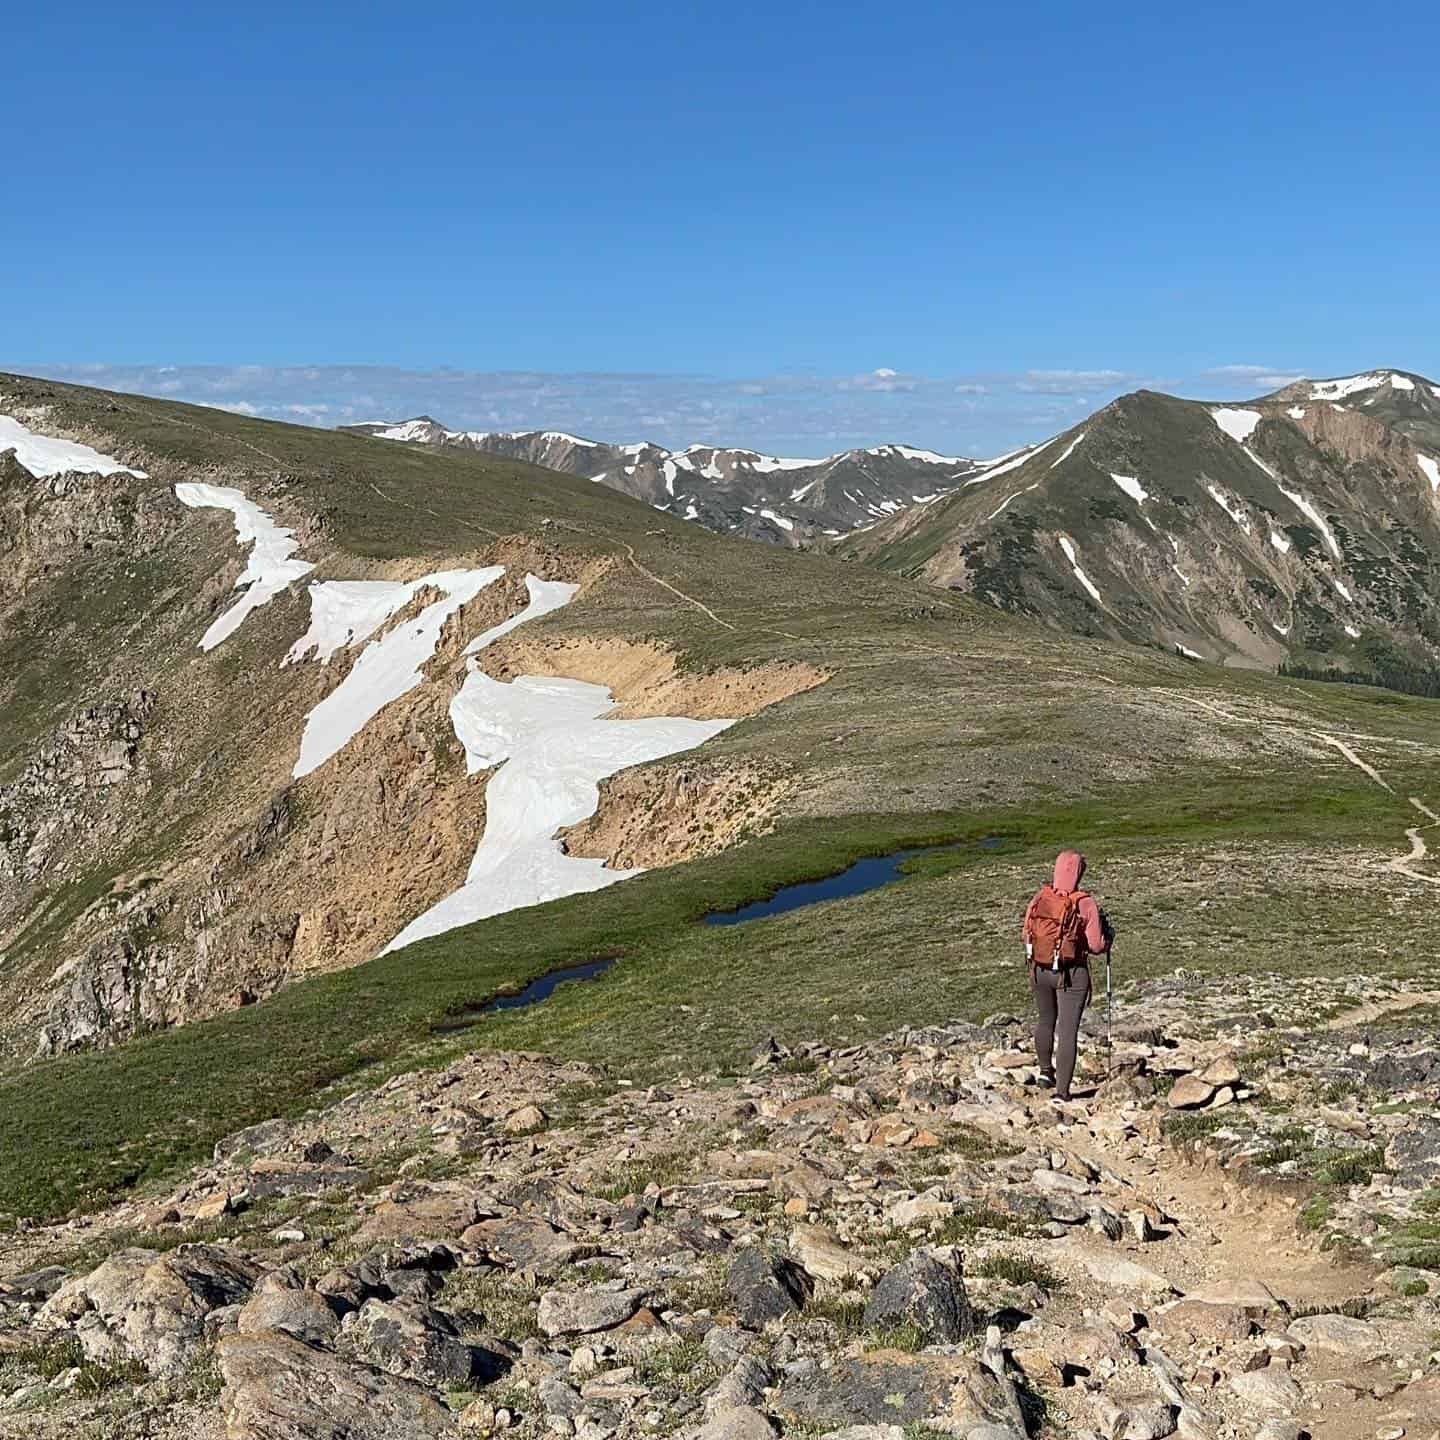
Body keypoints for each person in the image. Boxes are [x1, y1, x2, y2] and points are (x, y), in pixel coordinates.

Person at [1022, 850, 1110, 1102]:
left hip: (1039, 969)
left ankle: (1044, 1073)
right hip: (1071, 974)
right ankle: (1062, 1092)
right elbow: (1095, 945)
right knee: (1068, 1030)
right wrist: (1107, 940)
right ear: (1079, 873)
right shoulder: (1085, 902)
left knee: (1046, 1021)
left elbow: (1025, 933)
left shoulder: (1041, 896)